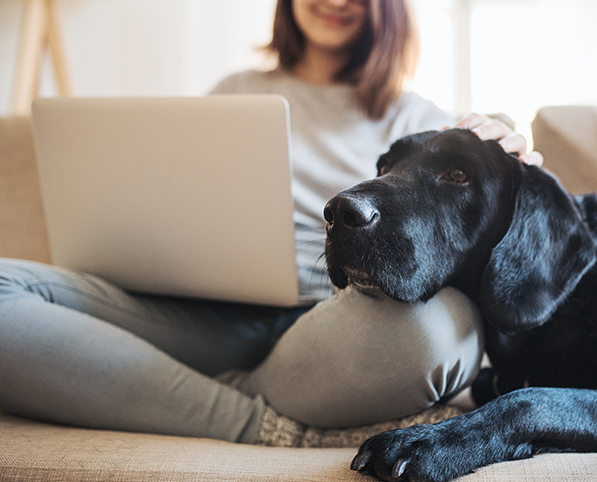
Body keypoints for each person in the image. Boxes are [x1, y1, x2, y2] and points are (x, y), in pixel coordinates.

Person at [0, 0, 542, 444]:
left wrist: (515, 158)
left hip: (338, 323)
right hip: (206, 312)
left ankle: (171, 390)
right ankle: (258, 421)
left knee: (441, 329)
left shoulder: (418, 118)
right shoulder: (234, 92)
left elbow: (495, 210)